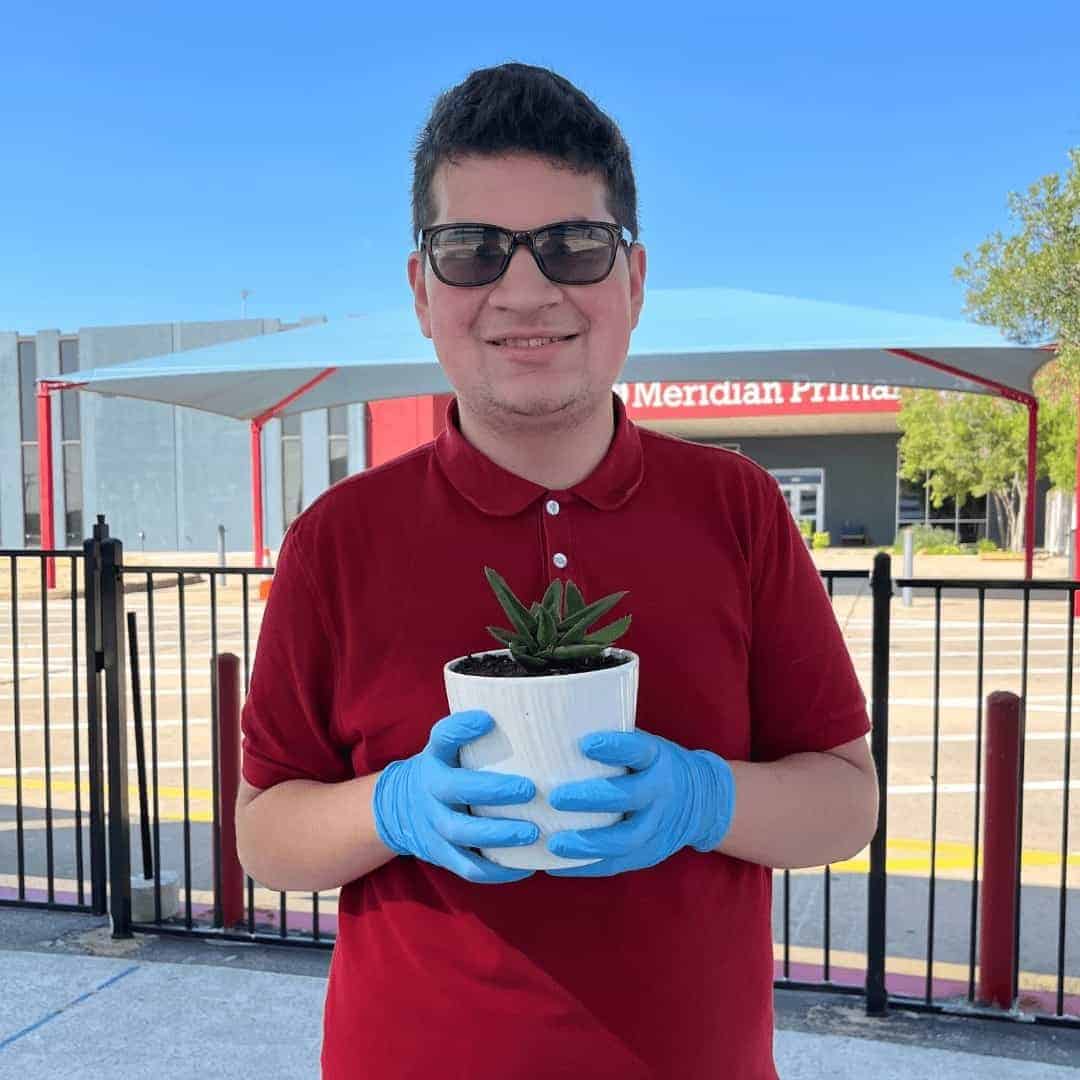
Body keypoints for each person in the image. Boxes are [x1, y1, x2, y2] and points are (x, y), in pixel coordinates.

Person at [236, 62, 878, 1080]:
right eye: (473, 249)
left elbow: (844, 804)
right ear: (421, 288)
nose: (525, 291)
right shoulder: (336, 538)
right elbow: (268, 837)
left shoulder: (738, 509)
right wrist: (392, 807)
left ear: (632, 279)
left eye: (574, 246)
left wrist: (703, 798)